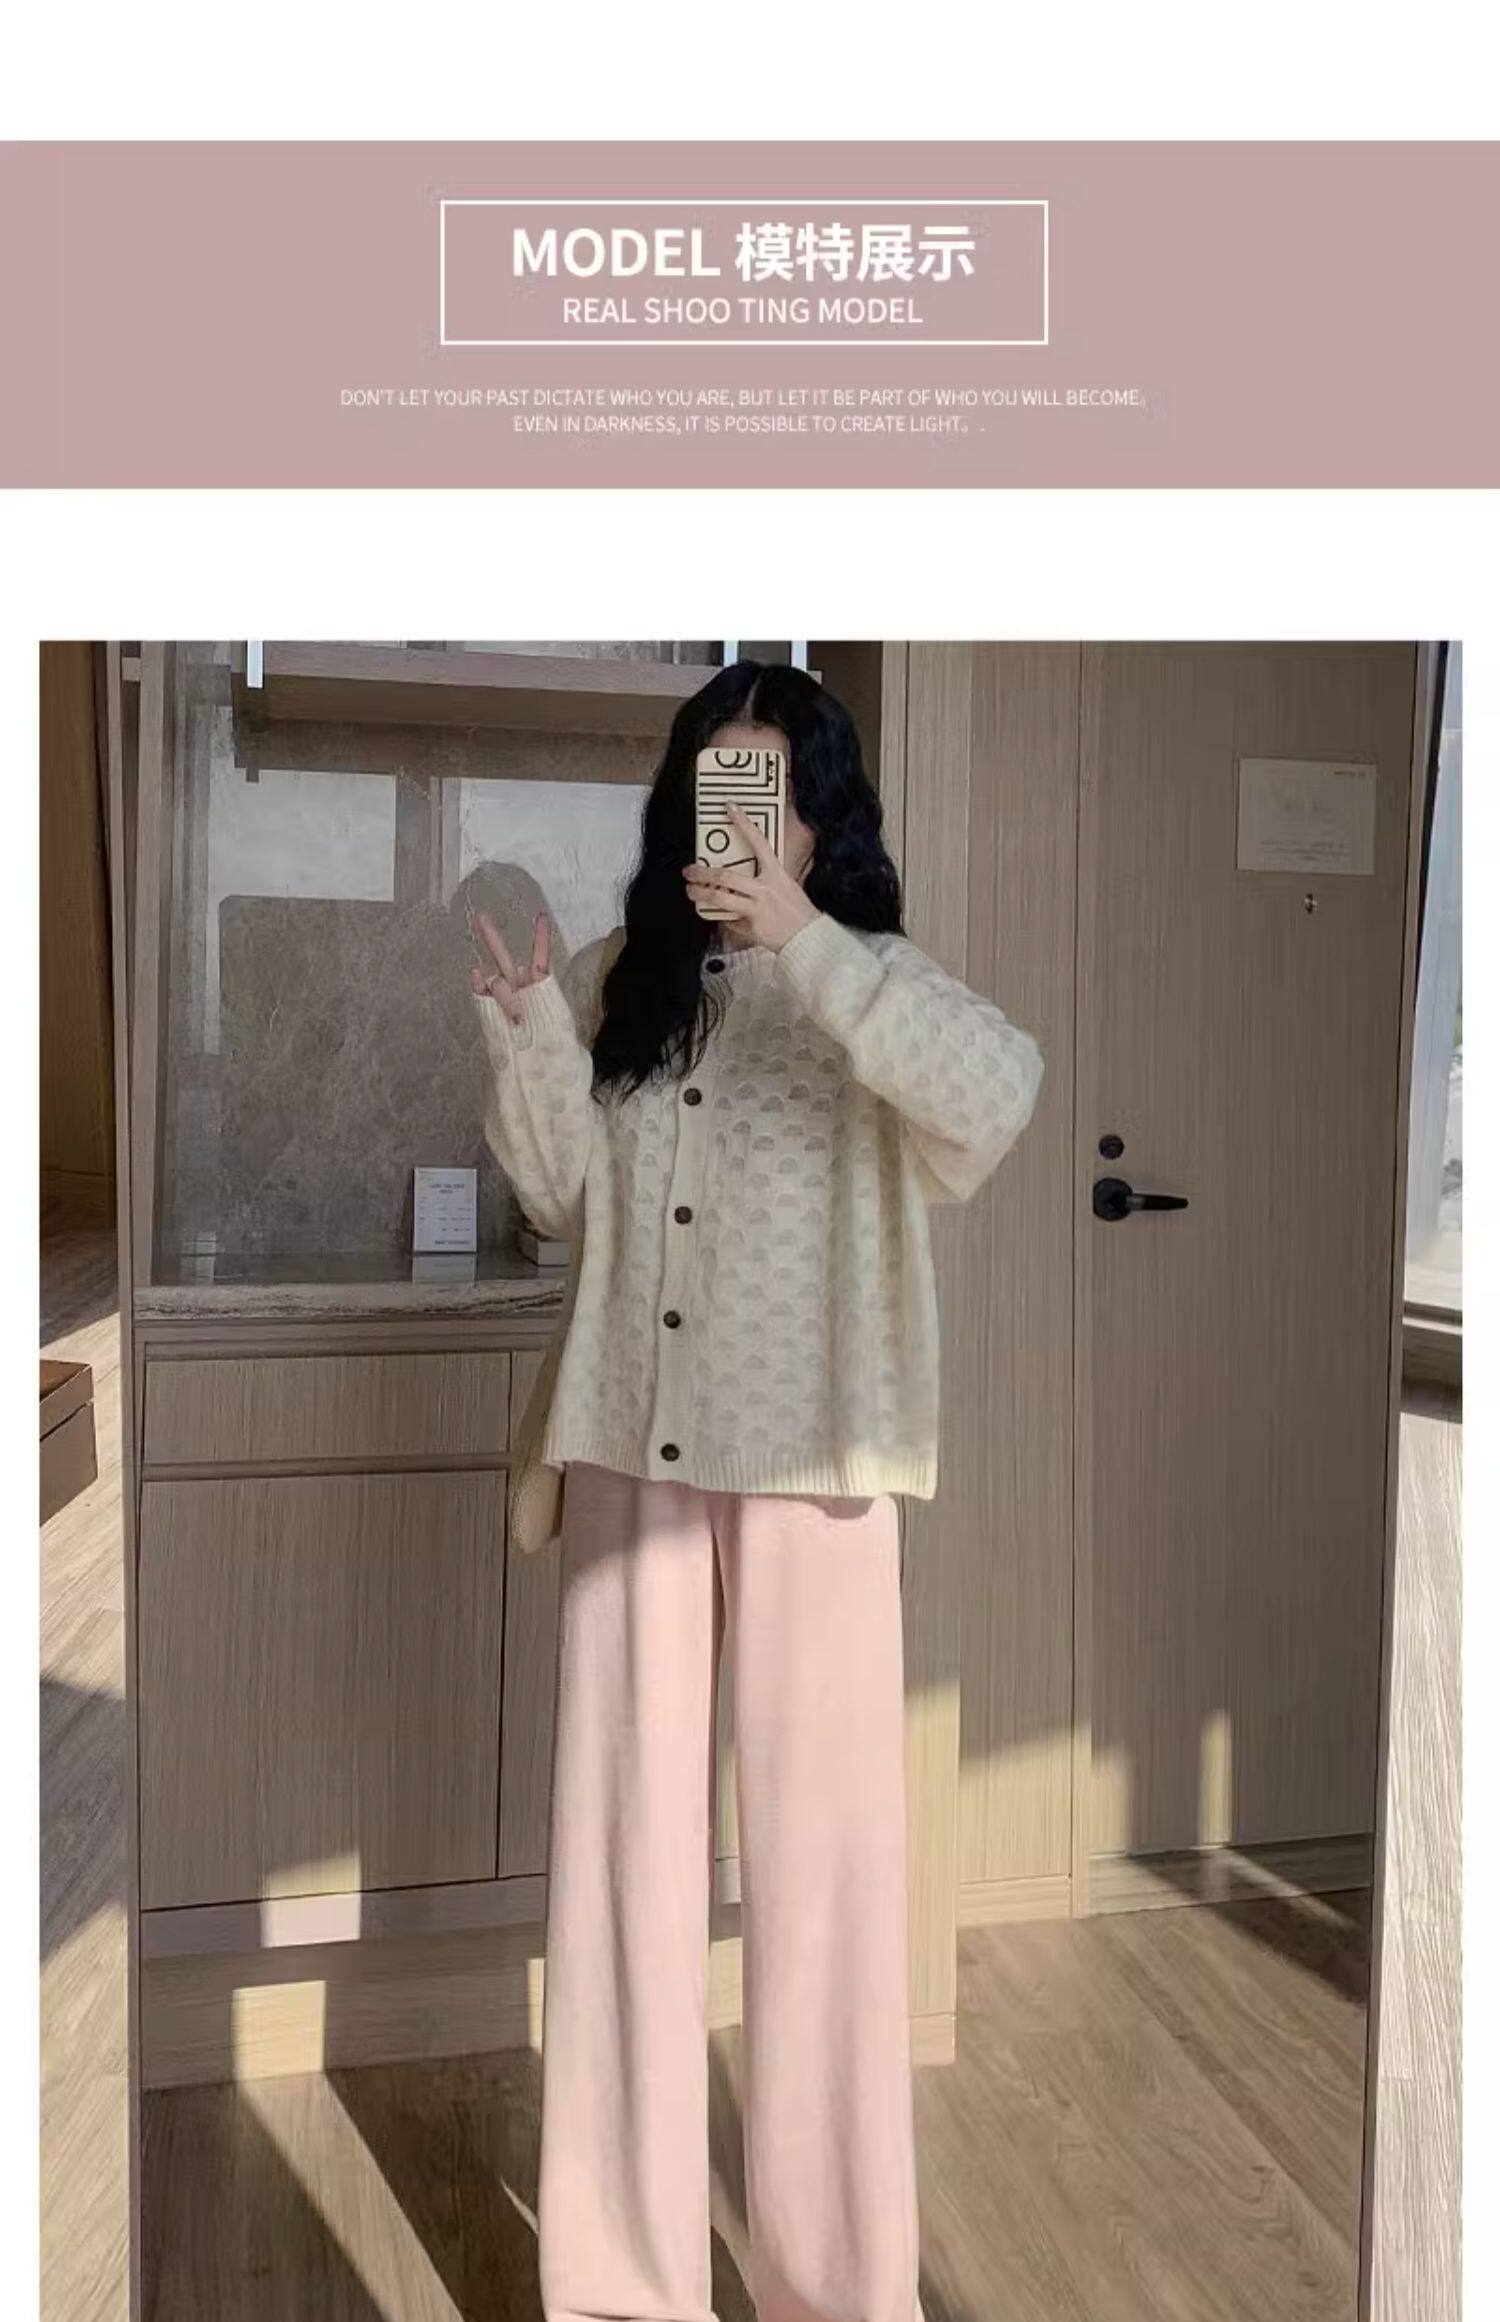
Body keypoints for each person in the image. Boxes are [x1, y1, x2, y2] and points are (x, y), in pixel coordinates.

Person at [470, 658, 1044, 2322]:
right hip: (631, 1449)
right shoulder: (623, 982)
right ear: (679, 810)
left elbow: (996, 1100)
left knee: (830, 1881)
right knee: (622, 1870)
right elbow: (560, 1198)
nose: (738, 821)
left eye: (769, 791)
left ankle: (837, 2290)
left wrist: (805, 938)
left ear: (817, 815)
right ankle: (620, 2285)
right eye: (711, 787)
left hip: (814, 1468)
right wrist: (529, 1036)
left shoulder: (871, 979)